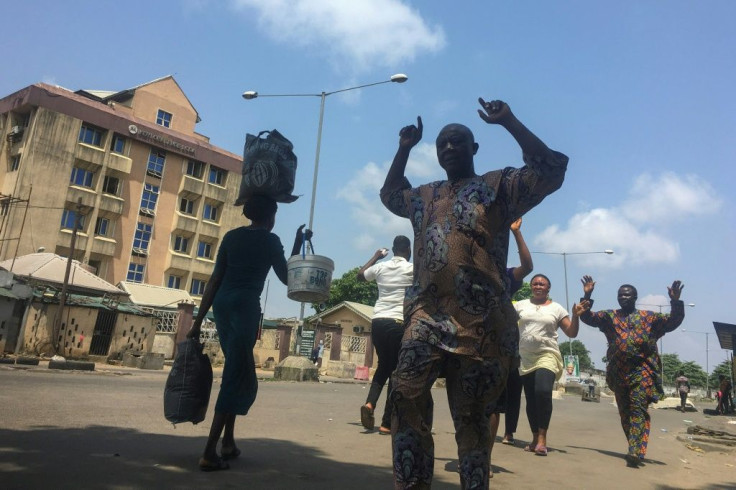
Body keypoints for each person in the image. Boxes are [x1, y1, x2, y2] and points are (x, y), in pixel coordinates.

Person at [380, 98, 568, 489]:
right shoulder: (425, 196)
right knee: (405, 390)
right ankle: (412, 481)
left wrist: (510, 121)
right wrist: (403, 148)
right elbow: (390, 193)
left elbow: (550, 171)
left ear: (474, 149)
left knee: (473, 421)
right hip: (426, 315)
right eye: (442, 143)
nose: (449, 147)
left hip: (482, 324)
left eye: (458, 141)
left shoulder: (498, 187)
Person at [186, 195, 309, 472]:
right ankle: (209, 452)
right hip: (245, 308)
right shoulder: (270, 241)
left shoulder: (231, 237)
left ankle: (228, 442)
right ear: (271, 216)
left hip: (222, 307)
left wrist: (197, 322)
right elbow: (286, 277)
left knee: (236, 368)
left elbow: (215, 280)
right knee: (235, 376)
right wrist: (297, 244)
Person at [576, 275, 685, 468]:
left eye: (627, 295)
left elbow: (673, 321)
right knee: (625, 412)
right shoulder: (610, 317)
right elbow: (587, 317)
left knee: (638, 409)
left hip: (642, 370)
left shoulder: (649, 318)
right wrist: (587, 294)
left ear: (635, 298)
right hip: (618, 372)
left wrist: (675, 301)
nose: (623, 298)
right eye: (620, 295)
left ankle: (634, 451)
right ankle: (636, 446)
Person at [513, 273, 580, 456]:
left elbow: (572, 333)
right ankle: (535, 437)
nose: (538, 286)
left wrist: (575, 316)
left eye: (542, 284)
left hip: (547, 355)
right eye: (535, 283)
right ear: (531, 287)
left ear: (548, 288)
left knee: (542, 391)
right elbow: (508, 326)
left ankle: (542, 439)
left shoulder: (557, 308)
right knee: (531, 398)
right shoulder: (520, 306)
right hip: (526, 357)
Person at [357, 236, 414, 434]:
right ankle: (386, 423)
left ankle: (370, 404)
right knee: (396, 371)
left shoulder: (381, 267)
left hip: (378, 322)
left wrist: (376, 257)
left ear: (393, 249)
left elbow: (360, 275)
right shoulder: (411, 269)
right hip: (397, 322)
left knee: (383, 366)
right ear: (408, 250)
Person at [490, 217, 533, 452]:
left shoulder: (505, 276)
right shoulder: (466, 273)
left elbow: (527, 267)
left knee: (494, 404)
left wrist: (516, 233)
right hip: (468, 342)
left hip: (498, 347)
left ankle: (483, 457)